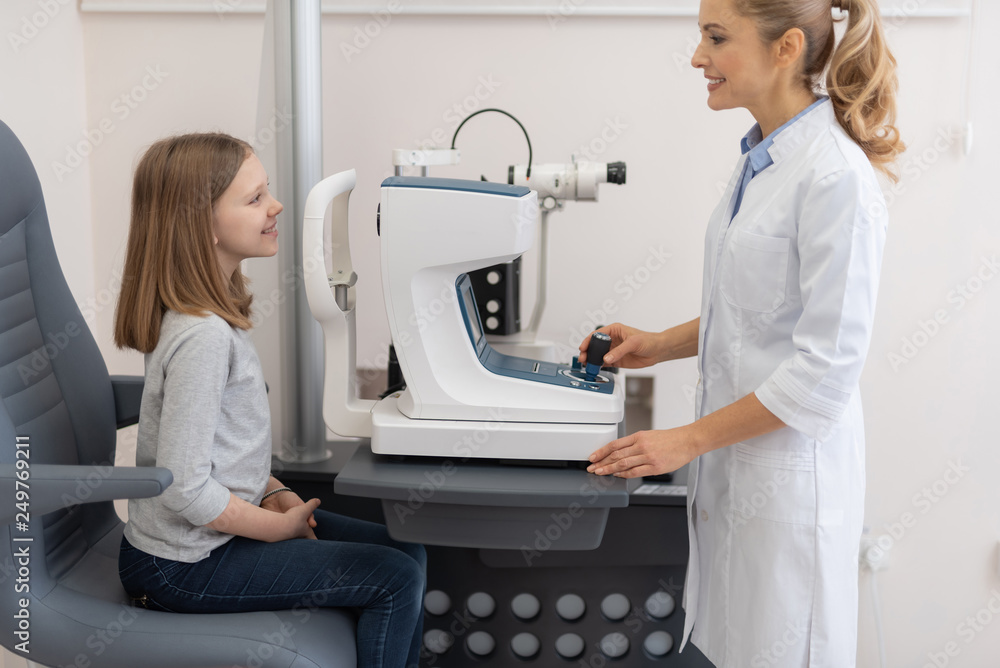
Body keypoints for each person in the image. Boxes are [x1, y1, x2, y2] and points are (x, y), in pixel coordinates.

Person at [579, 0, 903, 665]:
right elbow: (761, 309)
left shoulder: (835, 178)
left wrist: (684, 442)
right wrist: (658, 344)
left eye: (715, 37)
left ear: (784, 48)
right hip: (735, 495)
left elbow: (824, 374)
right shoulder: (763, 159)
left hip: (788, 501)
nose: (697, 57)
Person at [113, 133, 426, 668]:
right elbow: (183, 489)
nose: (276, 205)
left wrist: (272, 490)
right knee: (393, 578)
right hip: (181, 565)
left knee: (408, 550)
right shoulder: (202, 337)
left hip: (212, 539)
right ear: (202, 224)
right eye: (255, 198)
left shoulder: (210, 316)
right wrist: (276, 527)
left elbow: (221, 450)